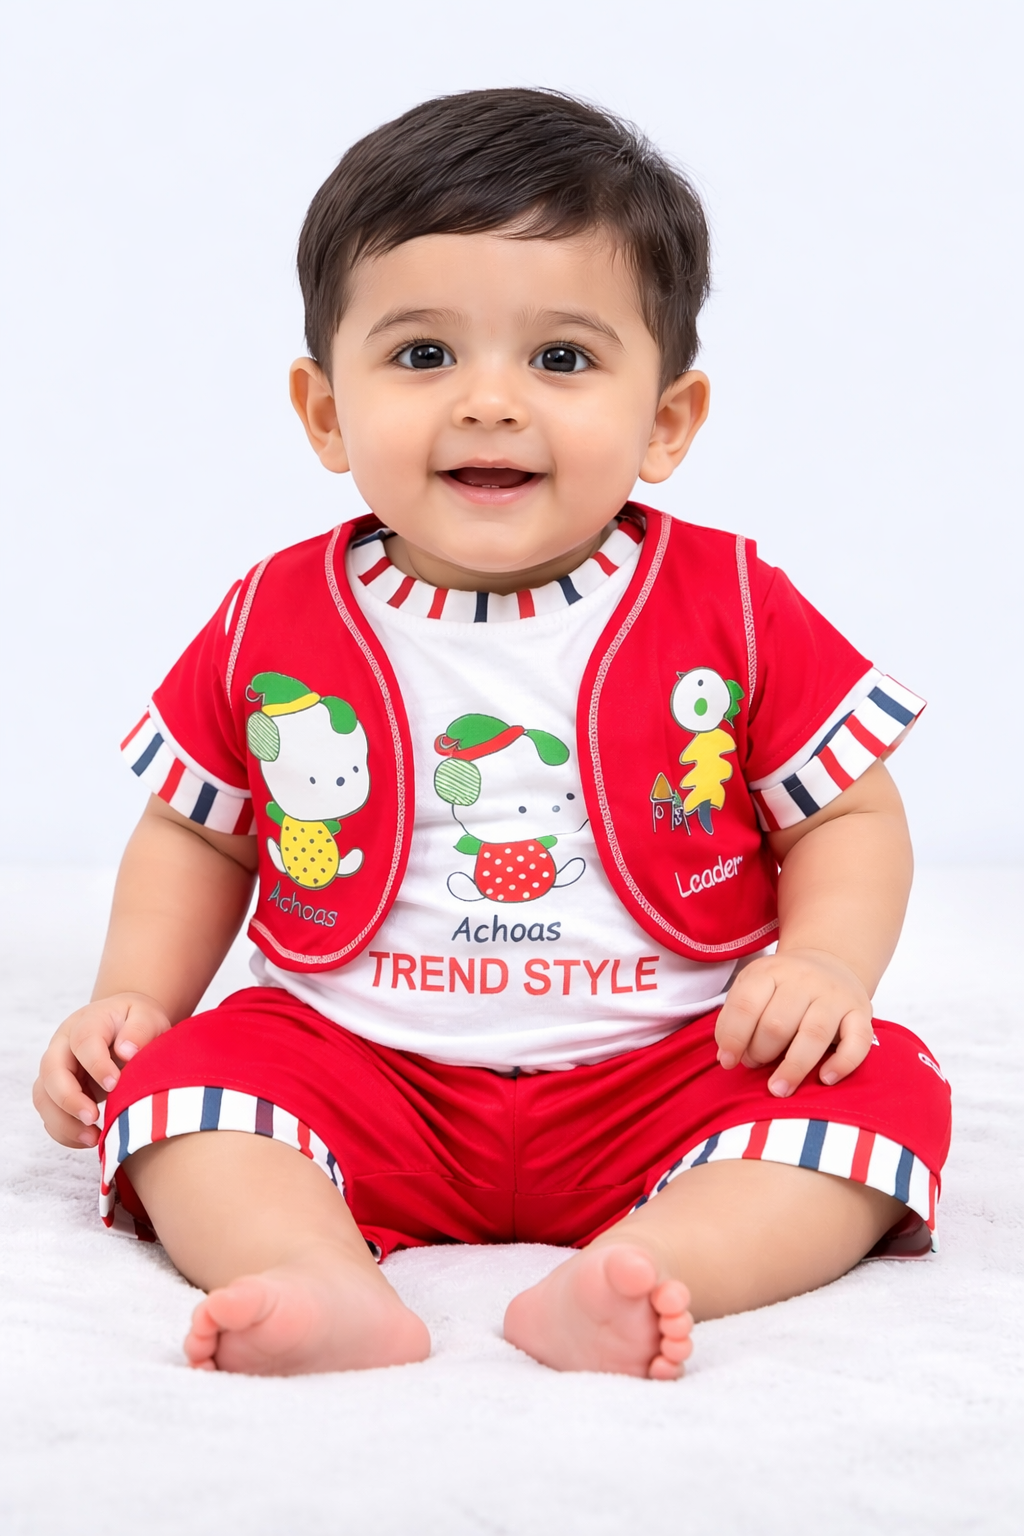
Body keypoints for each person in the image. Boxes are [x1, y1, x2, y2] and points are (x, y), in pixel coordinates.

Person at [32, 89, 951, 1380]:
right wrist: (134, 999)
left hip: (669, 1066)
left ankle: (649, 1268)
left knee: (882, 1089)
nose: (489, 402)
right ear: (325, 412)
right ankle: (313, 1270)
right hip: (362, 1067)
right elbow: (199, 832)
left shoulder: (734, 604)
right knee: (181, 1092)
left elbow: (846, 811)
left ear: (667, 420)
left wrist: (825, 967)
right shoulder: (270, 616)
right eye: (422, 355)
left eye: (562, 360)